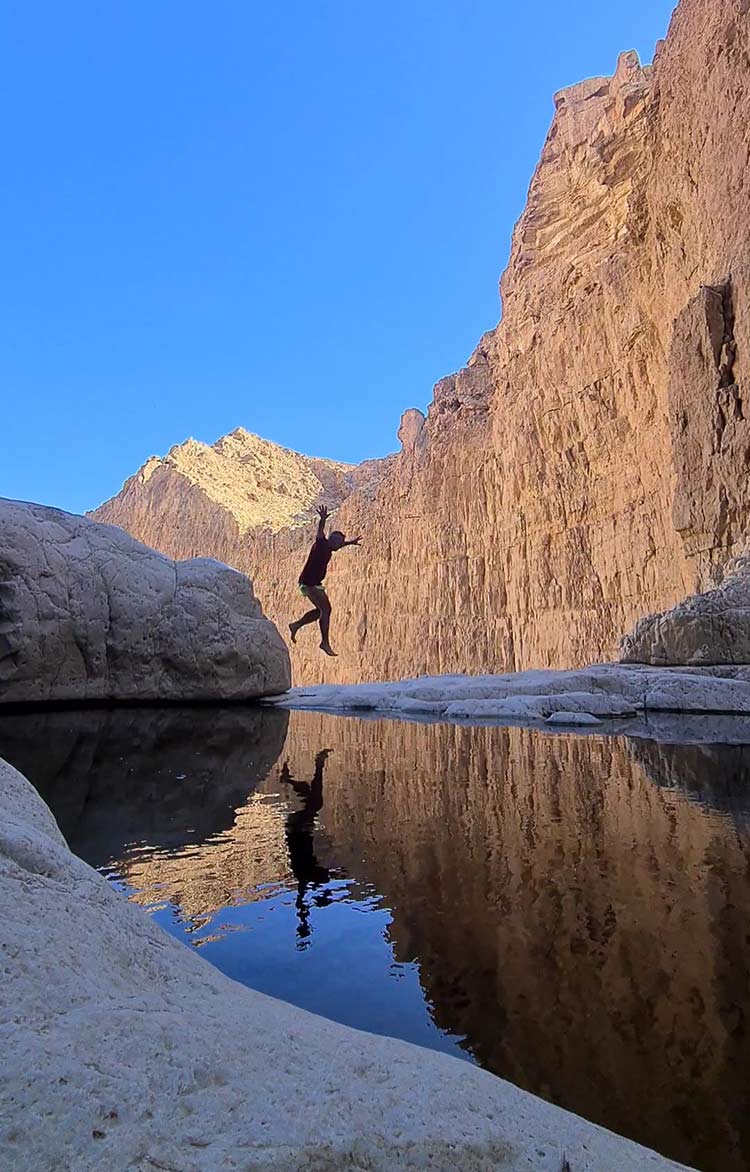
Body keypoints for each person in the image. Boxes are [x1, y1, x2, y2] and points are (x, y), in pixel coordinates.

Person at [289, 505, 360, 656]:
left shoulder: (329, 547)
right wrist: (322, 520)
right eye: (339, 542)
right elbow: (320, 533)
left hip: (313, 584)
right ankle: (324, 643)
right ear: (332, 540)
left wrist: (350, 543)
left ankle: (296, 625)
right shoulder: (321, 544)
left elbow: (338, 546)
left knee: (320, 611)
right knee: (326, 610)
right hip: (309, 584)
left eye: (341, 543)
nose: (340, 545)